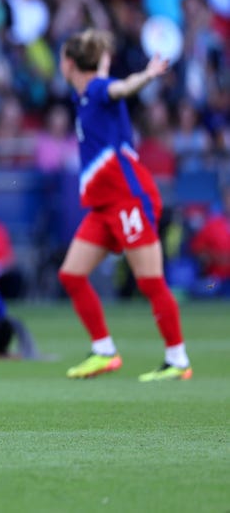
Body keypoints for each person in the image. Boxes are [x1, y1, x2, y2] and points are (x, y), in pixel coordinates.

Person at [57, 29, 190, 381]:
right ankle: (104, 351)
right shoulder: (83, 96)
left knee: (150, 282)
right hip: (103, 207)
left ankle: (177, 359)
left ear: (69, 64)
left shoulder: (100, 90)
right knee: (71, 275)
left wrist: (146, 76)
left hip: (128, 200)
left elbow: (121, 88)